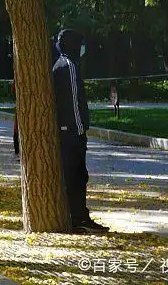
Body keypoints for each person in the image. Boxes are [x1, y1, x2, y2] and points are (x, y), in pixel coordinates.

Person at [54, 29, 108, 233]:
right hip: (71, 132)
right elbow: (73, 101)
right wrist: (79, 129)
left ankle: (80, 215)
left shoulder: (63, 65)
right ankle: (76, 217)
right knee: (74, 177)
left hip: (68, 131)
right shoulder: (69, 67)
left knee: (77, 176)